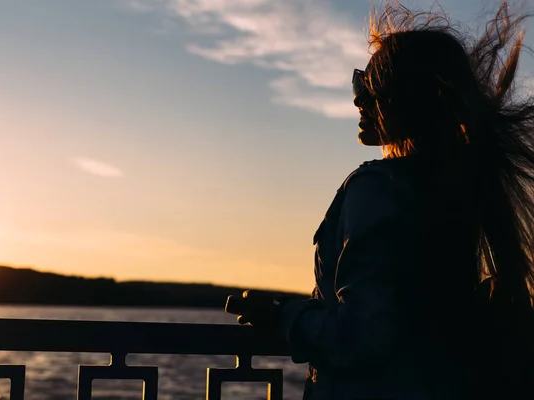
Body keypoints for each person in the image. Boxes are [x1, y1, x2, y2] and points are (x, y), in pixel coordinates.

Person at [226, 2, 534, 399]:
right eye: (360, 84)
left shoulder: (376, 187)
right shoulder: (457, 187)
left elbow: (363, 336)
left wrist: (283, 315)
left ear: (407, 99)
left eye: (370, 86)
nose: (358, 101)